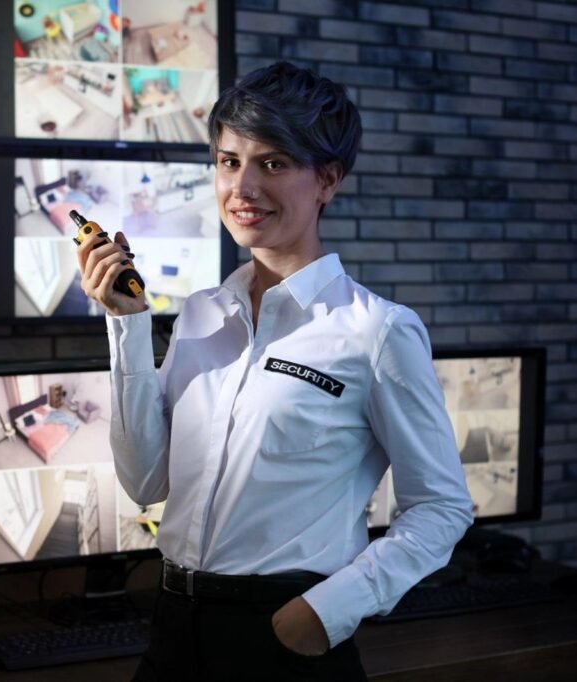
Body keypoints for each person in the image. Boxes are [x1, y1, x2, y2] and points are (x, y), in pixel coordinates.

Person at [77, 61, 474, 681]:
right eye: (228, 161)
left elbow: (442, 506)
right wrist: (125, 323)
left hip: (284, 635)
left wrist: (332, 609)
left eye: (273, 163)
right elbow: (145, 482)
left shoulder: (377, 331)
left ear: (328, 180)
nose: (242, 188)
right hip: (173, 628)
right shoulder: (202, 314)